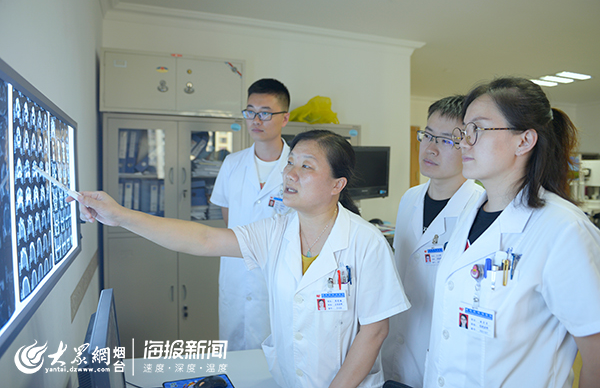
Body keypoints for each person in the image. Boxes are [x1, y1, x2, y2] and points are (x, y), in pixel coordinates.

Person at [74, 130, 409, 388]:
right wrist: (121, 216)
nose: (290, 174)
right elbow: (203, 239)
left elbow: (375, 331)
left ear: (337, 184)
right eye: (290, 162)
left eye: (306, 166)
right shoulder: (277, 230)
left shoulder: (366, 241)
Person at [423, 77, 600, 387]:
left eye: (478, 129)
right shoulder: (469, 211)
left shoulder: (563, 229)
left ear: (524, 141)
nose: (464, 142)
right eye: (464, 130)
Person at [381, 95, 484, 387]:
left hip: (443, 360)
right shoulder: (410, 198)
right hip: (394, 349)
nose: (430, 148)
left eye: (447, 140)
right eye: (427, 135)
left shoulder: (479, 208)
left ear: (469, 145)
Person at [210, 78, 291, 350]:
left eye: (265, 113)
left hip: (278, 274)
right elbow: (228, 217)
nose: (256, 120)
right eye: (250, 112)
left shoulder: (298, 167)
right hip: (236, 273)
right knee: (234, 355)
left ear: (284, 118)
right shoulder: (232, 164)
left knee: (278, 352)